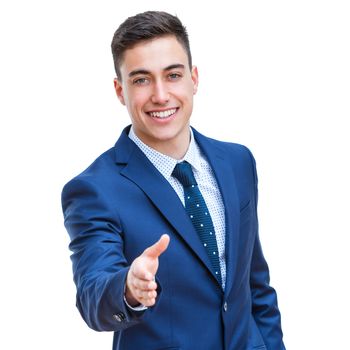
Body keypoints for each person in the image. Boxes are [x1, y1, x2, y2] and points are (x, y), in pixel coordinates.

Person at [61, 11, 285, 350]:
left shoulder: (238, 162)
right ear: (120, 91)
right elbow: (94, 293)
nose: (161, 95)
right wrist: (128, 288)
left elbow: (255, 287)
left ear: (194, 79)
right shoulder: (94, 189)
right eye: (141, 80)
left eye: (173, 75)